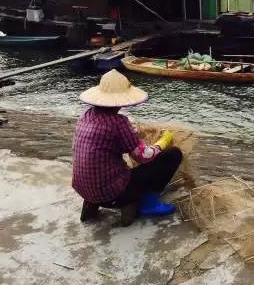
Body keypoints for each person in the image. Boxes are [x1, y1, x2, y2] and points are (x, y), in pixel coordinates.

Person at [72, 69, 182, 226]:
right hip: (113, 195)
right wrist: (163, 141)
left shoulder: (85, 116)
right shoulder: (118, 122)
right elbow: (144, 156)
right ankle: (149, 205)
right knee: (173, 155)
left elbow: (106, 142)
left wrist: (133, 133)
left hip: (83, 189)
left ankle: (92, 205)